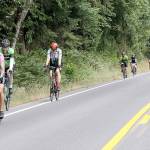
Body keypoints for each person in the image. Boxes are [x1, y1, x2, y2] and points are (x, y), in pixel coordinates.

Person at [0, 53, 5, 119]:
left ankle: (1, 110)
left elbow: (2, 69)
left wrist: (1, 76)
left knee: (0, 91)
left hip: (0, 75)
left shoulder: (0, 55)